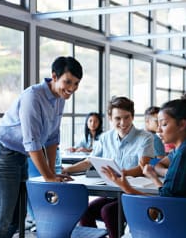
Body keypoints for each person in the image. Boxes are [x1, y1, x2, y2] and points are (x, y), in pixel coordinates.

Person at [0, 56, 82, 238]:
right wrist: (48, 177)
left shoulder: (59, 98)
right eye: (68, 82)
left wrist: (52, 171)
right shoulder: (33, 96)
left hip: (18, 156)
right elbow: (32, 142)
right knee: (1, 219)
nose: (72, 88)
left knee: (16, 219)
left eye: (76, 84)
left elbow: (52, 138)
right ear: (54, 77)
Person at [101, 91, 186, 238]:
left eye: (164, 124)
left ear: (182, 124)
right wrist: (153, 178)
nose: (158, 130)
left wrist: (126, 187)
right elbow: (168, 195)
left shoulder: (185, 154)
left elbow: (161, 206)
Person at [62, 96, 154, 238]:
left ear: (133, 116)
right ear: (110, 118)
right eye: (118, 118)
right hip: (111, 193)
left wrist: (120, 174)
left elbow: (142, 168)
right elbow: (89, 161)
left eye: (127, 117)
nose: (123, 123)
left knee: (108, 211)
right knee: (85, 211)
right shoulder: (105, 138)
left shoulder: (145, 137)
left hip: (132, 193)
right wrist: (66, 170)